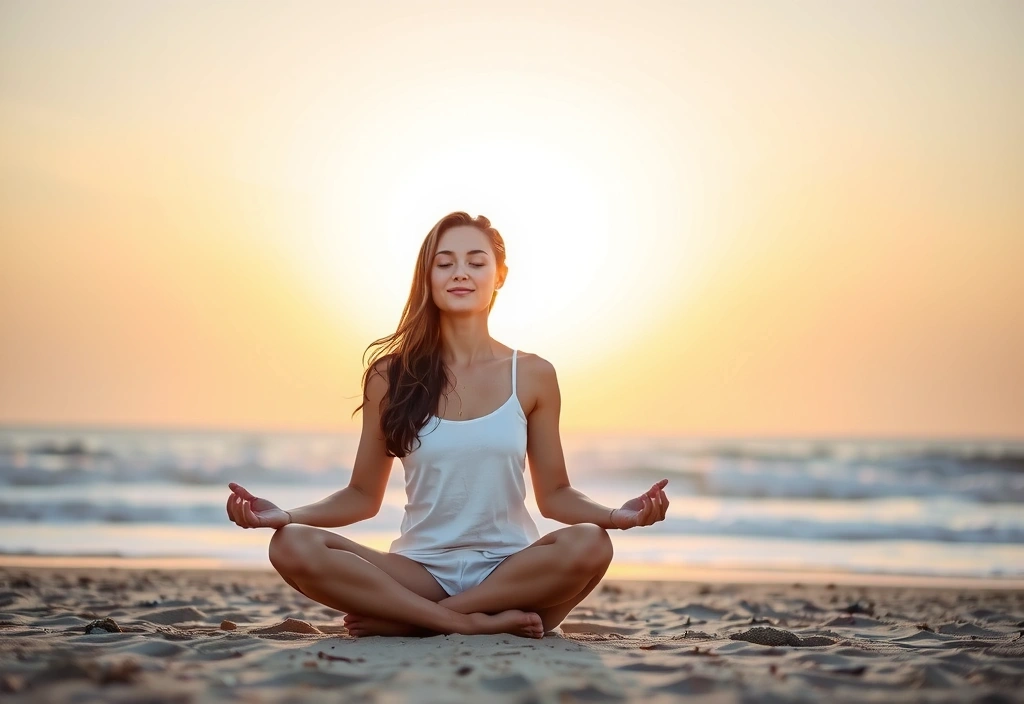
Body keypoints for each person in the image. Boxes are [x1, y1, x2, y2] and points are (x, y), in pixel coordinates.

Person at [225, 211, 670, 639]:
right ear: (428, 277)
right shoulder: (389, 376)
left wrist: (616, 516)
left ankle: (416, 621)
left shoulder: (533, 374)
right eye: (445, 263)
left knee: (593, 543)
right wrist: (285, 516)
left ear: (499, 276)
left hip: (512, 572)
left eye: (476, 262)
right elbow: (361, 496)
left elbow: (555, 496)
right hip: (419, 571)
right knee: (289, 544)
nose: (461, 273)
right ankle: (467, 621)